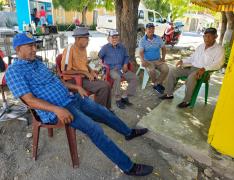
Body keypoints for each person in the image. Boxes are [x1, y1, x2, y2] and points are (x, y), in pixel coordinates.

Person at [6, 32, 153, 176]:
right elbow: (30, 100)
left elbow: (57, 80)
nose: (34, 49)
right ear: (18, 49)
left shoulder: (37, 63)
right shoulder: (14, 71)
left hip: (71, 98)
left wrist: (77, 87)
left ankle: (128, 132)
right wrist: (57, 109)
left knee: (104, 112)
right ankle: (128, 167)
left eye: (34, 45)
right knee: (95, 129)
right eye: (29, 46)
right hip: (57, 110)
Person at [160, 27, 225, 108]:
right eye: (205, 36)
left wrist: (205, 69)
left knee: (191, 78)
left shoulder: (219, 49)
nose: (206, 39)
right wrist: (183, 61)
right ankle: (169, 94)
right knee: (173, 70)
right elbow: (192, 58)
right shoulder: (201, 46)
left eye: (209, 36)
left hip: (203, 72)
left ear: (215, 37)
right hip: (191, 67)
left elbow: (218, 64)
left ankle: (187, 101)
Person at [61, 27, 112, 110]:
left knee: (107, 84)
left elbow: (85, 64)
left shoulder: (83, 48)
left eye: (88, 39)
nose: (88, 41)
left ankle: (106, 109)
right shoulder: (70, 49)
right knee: (103, 87)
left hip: (84, 77)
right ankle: (99, 113)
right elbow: (65, 70)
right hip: (74, 79)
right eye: (86, 39)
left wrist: (91, 71)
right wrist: (85, 73)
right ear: (77, 39)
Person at [98, 30, 137, 109]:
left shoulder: (122, 47)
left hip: (122, 68)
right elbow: (99, 57)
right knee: (117, 77)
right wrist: (102, 64)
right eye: (112, 37)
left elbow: (126, 56)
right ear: (108, 38)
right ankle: (118, 99)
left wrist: (125, 64)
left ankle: (124, 96)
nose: (114, 39)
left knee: (134, 78)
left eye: (116, 37)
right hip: (112, 69)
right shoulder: (105, 48)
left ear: (118, 38)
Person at [139, 23, 169, 94]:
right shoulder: (142, 40)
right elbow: (141, 52)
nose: (151, 30)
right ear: (146, 30)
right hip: (148, 61)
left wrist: (163, 58)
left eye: (153, 28)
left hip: (158, 60)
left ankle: (156, 84)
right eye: (149, 28)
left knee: (166, 69)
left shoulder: (158, 38)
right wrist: (143, 61)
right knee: (152, 70)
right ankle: (158, 85)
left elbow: (164, 48)